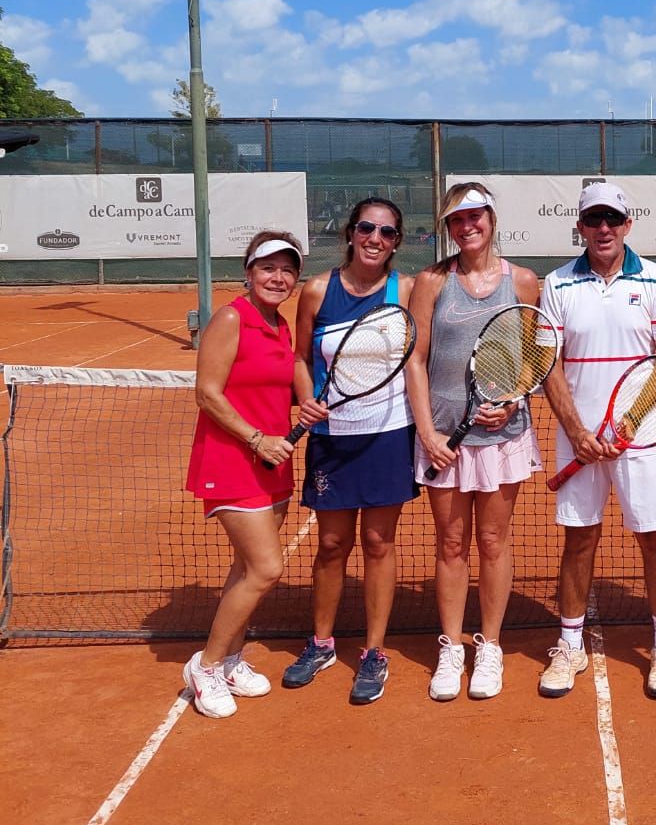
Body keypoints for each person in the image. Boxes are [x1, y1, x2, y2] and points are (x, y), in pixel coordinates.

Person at [538, 182, 656, 700]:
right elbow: (547, 362)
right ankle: (570, 644)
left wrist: (628, 426)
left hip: (640, 439)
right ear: (579, 226)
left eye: (612, 220)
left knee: (655, 537)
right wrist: (578, 432)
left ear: (627, 225)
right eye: (593, 220)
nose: (603, 229)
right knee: (579, 539)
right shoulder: (556, 284)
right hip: (577, 437)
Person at [406, 183, 543, 702]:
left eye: (475, 216)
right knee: (450, 543)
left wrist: (514, 397)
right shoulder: (431, 281)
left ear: (491, 219)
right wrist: (428, 433)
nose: (468, 227)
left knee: (493, 542)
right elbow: (415, 360)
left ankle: (489, 647)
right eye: (457, 221)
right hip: (444, 434)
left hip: (502, 435)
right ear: (448, 228)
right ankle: (451, 647)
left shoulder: (524, 281)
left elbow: (533, 354)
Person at [282, 197, 418, 705]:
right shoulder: (318, 289)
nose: (375, 239)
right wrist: (305, 399)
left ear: (397, 242)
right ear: (350, 232)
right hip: (332, 437)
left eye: (386, 233)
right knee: (333, 546)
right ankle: (320, 644)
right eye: (367, 228)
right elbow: (300, 356)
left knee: (379, 544)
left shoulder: (405, 289)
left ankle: (375, 652)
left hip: (388, 434)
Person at [184, 231, 316, 719]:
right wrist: (257, 438)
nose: (277, 277)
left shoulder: (278, 326)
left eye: (287, 270)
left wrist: (304, 407)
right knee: (266, 568)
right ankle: (207, 666)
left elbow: (274, 388)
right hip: (232, 460)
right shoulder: (231, 318)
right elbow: (207, 393)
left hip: (273, 461)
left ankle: (232, 658)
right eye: (267, 267)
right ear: (248, 271)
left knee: (243, 568)